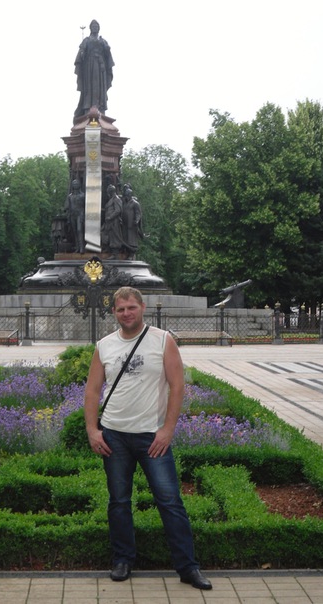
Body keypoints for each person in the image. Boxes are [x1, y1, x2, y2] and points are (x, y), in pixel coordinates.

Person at [84, 286, 212, 591]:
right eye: (120, 309)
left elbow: (177, 386)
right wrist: (92, 430)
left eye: (131, 307)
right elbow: (92, 390)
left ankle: (188, 567)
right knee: (119, 502)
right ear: (113, 312)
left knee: (170, 501)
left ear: (143, 307)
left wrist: (167, 430)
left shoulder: (163, 340)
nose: (126, 313)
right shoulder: (104, 345)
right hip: (114, 435)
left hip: (152, 436)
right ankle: (123, 560)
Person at [74, 20, 114, 118]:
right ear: (90, 28)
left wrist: (107, 49)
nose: (95, 27)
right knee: (89, 87)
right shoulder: (86, 40)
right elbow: (81, 52)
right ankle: (88, 108)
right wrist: (82, 53)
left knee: (100, 87)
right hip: (89, 67)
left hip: (101, 67)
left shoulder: (103, 41)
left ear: (98, 28)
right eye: (93, 26)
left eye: (96, 26)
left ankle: (100, 108)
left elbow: (108, 55)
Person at [102, 184, 123, 259]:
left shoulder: (116, 199)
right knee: (105, 234)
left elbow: (118, 210)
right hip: (108, 222)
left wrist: (110, 217)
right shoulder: (111, 199)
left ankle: (115, 254)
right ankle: (108, 248)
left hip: (114, 221)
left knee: (114, 237)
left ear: (110, 192)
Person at [121, 186, 143, 260]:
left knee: (132, 240)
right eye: (125, 195)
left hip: (132, 225)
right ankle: (126, 252)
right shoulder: (125, 203)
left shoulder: (135, 203)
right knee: (125, 238)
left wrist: (136, 220)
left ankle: (131, 254)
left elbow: (138, 213)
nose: (126, 197)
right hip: (125, 225)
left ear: (130, 195)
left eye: (127, 195)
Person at [65, 179, 85, 253]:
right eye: (74, 184)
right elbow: (69, 207)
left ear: (79, 185)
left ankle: (82, 247)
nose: (75, 185)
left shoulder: (83, 195)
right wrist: (68, 217)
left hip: (80, 214)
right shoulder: (70, 196)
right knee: (75, 231)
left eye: (76, 184)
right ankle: (77, 247)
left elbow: (85, 206)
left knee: (79, 230)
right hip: (72, 215)